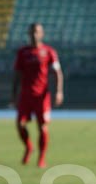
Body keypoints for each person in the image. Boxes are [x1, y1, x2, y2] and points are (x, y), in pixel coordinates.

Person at [12, 22, 63, 167]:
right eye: (32, 32)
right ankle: (29, 147)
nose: (34, 35)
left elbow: (57, 72)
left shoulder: (49, 51)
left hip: (41, 96)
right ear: (29, 34)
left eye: (37, 32)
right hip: (25, 95)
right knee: (20, 124)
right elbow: (17, 74)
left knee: (42, 127)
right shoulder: (23, 52)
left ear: (42, 34)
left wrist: (59, 91)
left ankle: (41, 158)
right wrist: (13, 94)